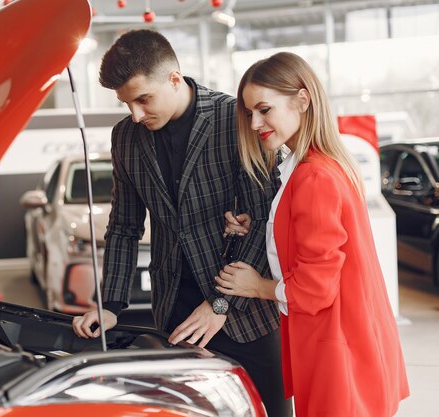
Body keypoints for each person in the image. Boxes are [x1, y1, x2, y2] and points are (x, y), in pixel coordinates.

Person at [71, 29, 292, 417]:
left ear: (174, 78)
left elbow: (264, 219)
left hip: (248, 316)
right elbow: (124, 226)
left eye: (143, 99)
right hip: (175, 312)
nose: (136, 115)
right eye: (127, 104)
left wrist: (220, 302)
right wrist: (111, 305)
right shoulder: (125, 137)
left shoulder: (234, 118)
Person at [215, 51, 409, 417]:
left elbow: (315, 287)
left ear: (302, 100)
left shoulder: (313, 176)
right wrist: (263, 227)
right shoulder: (321, 165)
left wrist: (257, 286)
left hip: (336, 352)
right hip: (352, 345)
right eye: (250, 113)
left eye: (264, 109)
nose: (255, 123)